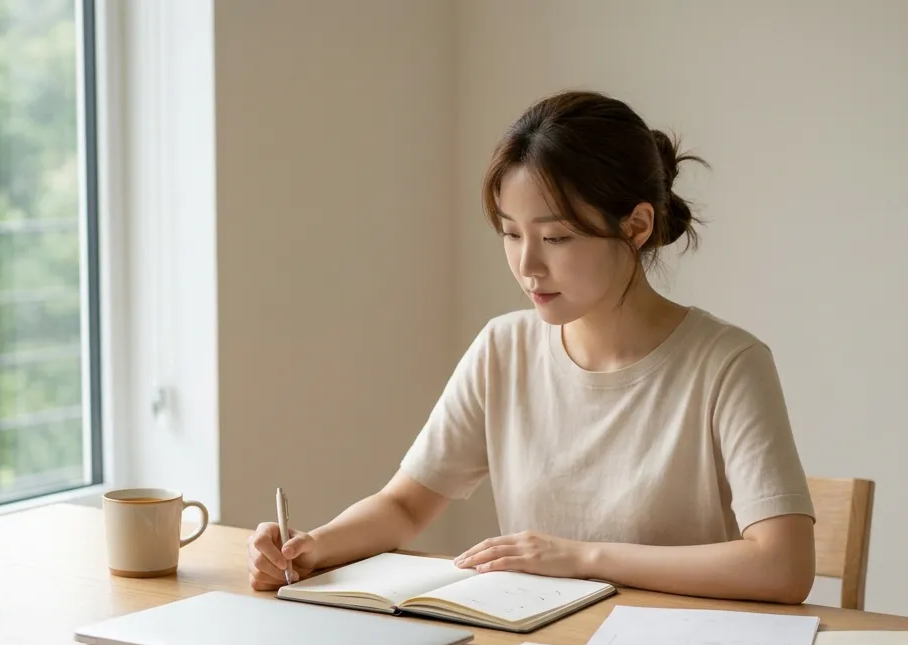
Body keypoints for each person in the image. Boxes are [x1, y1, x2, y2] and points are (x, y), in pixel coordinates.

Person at [247, 90, 818, 604]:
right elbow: (403, 506)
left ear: (637, 225)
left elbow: (783, 566)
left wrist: (578, 557)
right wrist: (311, 551)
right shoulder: (504, 347)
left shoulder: (727, 365)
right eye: (511, 233)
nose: (527, 266)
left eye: (556, 238)